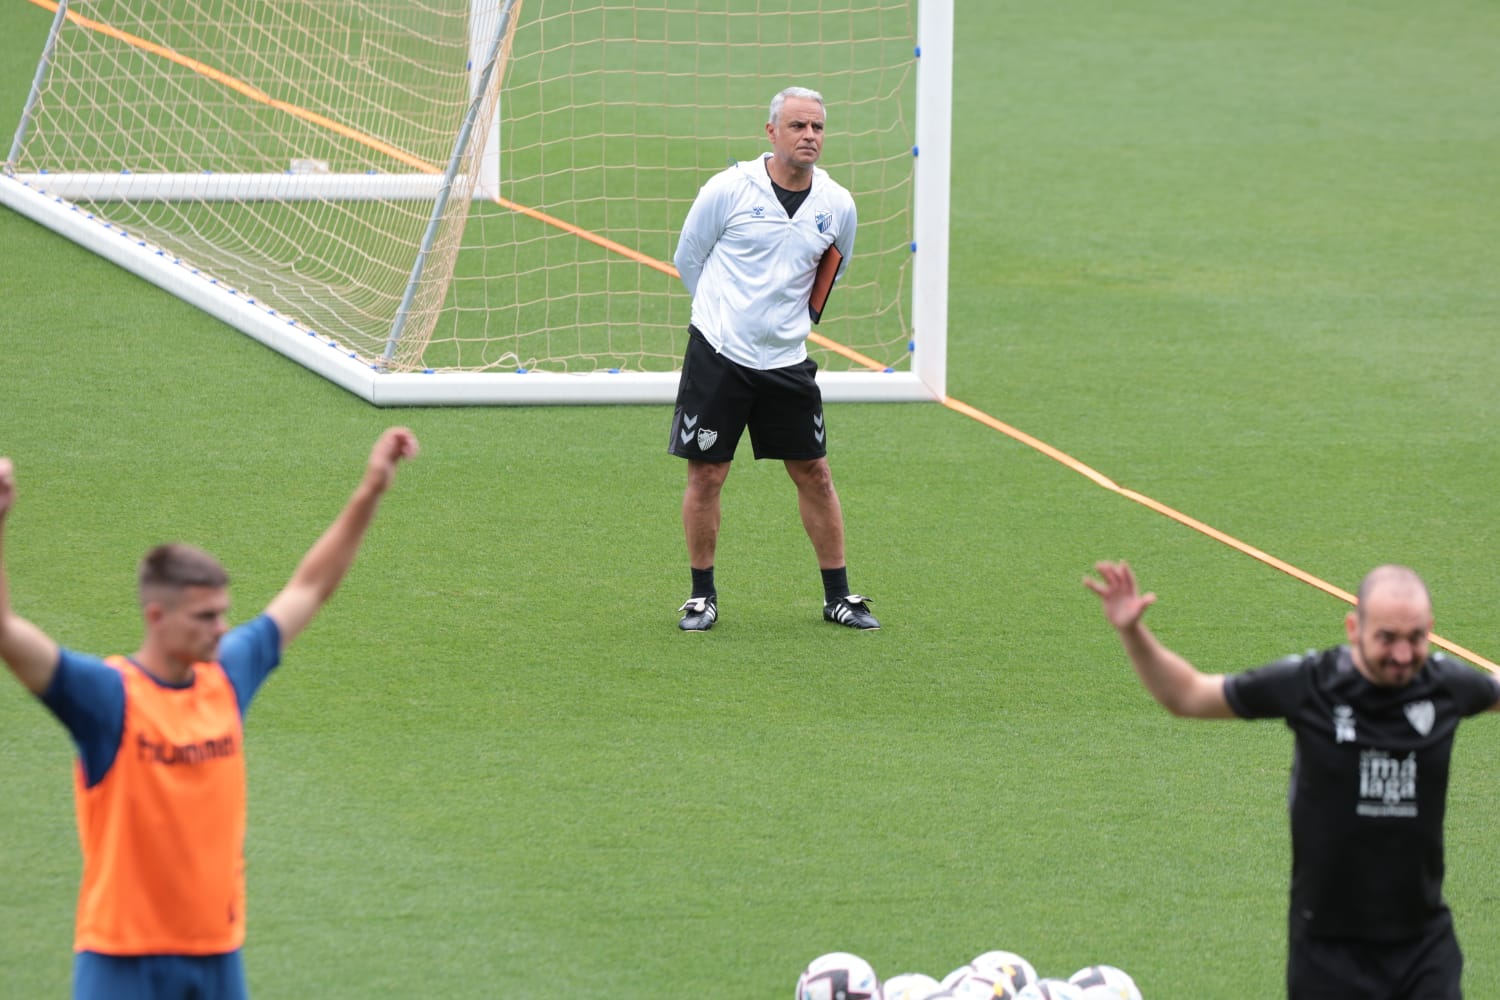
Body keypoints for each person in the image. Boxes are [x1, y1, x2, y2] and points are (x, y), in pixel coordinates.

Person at [0, 427, 419, 1000]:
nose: (222, 628)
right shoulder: (107, 697)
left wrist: (371, 489)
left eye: (223, 613)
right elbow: (5, 632)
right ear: (157, 616)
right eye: (205, 617)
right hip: (121, 960)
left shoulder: (227, 676)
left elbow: (311, 586)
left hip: (217, 955)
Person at [1084, 560, 1500, 999]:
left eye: (1415, 638)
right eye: (1387, 638)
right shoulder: (1310, 685)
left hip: (1422, 947)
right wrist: (1132, 633)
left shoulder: (1447, 687)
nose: (1402, 655)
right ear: (1353, 629)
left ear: (1430, 629)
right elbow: (1187, 695)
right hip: (1328, 953)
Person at [667, 85, 876, 633]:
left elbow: (833, 269)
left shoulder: (838, 205)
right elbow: (689, 256)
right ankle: (701, 597)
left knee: (816, 473)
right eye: (798, 126)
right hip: (720, 354)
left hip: (786, 360)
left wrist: (788, 328)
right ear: (771, 132)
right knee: (708, 474)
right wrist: (721, 319)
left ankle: (838, 596)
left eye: (818, 128)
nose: (810, 137)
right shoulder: (728, 189)